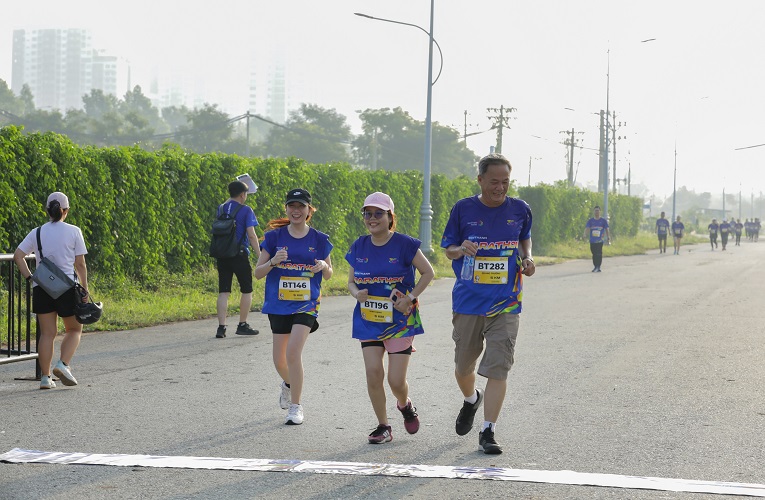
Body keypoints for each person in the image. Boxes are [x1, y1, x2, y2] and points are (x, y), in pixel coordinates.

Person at [441, 153, 535, 455]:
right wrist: (460, 249)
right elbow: (448, 250)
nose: (500, 188)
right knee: (462, 367)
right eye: (494, 182)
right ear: (480, 179)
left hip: (506, 303)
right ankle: (471, 398)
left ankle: (488, 430)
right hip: (469, 302)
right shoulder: (463, 209)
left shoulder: (520, 209)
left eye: (505, 182)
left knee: (499, 368)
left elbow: (525, 239)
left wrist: (528, 258)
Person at [346, 192, 435, 444]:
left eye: (378, 213)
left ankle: (404, 404)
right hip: (369, 320)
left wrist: (412, 297)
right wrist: (357, 293)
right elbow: (350, 282)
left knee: (396, 380)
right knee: (373, 373)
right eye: (367, 213)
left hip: (400, 321)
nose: (372, 218)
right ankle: (383, 426)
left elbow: (428, 272)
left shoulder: (405, 244)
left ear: (390, 217)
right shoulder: (358, 246)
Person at [255, 188, 333, 425]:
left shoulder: (320, 239)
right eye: (292, 206)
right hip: (279, 304)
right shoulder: (274, 237)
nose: (296, 211)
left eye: (301, 207)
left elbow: (330, 274)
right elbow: (258, 273)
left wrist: (322, 265)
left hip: (306, 304)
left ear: (310, 210)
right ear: (286, 209)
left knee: (292, 353)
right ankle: (288, 384)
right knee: (279, 361)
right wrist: (272, 261)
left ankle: (296, 407)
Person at [13, 192, 88, 390]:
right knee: (74, 329)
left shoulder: (36, 232)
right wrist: (85, 288)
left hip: (42, 287)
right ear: (66, 211)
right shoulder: (74, 231)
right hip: (66, 288)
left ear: (48, 210)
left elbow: (18, 256)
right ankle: (63, 365)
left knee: (47, 334)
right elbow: (80, 264)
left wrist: (31, 278)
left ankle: (46, 378)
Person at [214, 180, 261, 338]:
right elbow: (252, 235)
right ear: (242, 194)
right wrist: (260, 256)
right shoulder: (246, 210)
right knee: (246, 290)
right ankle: (242, 324)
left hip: (222, 254)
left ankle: (221, 328)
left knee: (224, 291)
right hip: (239, 254)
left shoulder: (221, 208)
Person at [584, 206, 610, 272]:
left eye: (598, 210)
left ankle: (598, 266)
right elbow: (587, 228)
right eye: (595, 210)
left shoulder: (603, 221)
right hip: (592, 241)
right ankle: (595, 266)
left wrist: (608, 236)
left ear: (600, 211)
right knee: (594, 253)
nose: (597, 212)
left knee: (599, 253)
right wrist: (585, 234)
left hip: (600, 240)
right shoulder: (591, 221)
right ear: (594, 211)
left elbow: (607, 229)